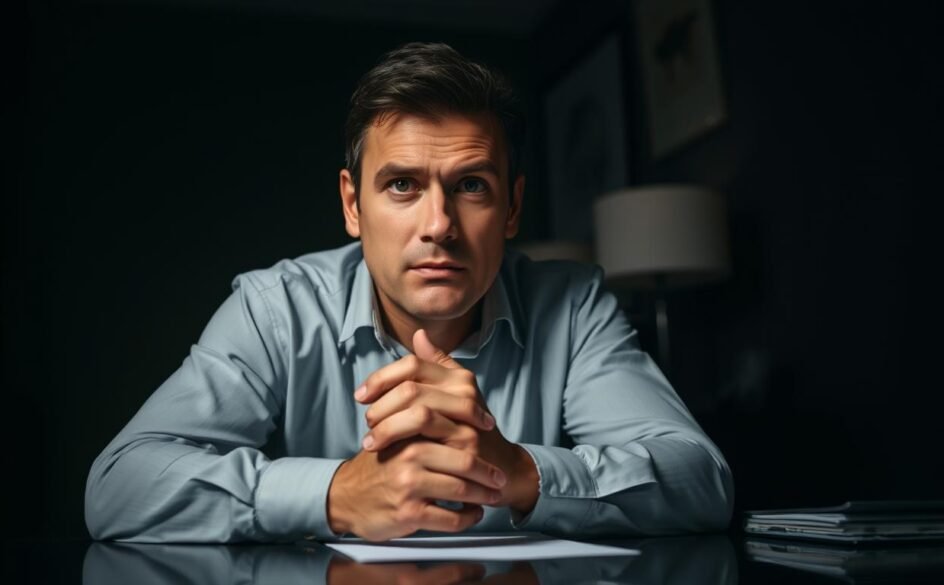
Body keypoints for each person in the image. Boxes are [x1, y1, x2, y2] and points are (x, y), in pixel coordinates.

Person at [84, 41, 733, 543]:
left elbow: (703, 481)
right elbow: (117, 487)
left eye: (471, 185)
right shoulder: (276, 309)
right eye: (402, 186)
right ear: (352, 204)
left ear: (512, 207)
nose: (439, 225)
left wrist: (518, 470)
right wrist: (336, 491)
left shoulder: (575, 305)